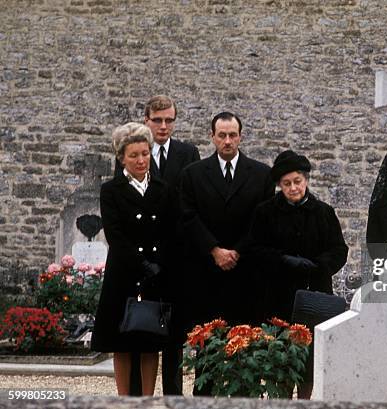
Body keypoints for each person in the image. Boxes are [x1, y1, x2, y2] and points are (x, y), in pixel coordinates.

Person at [179, 111, 275, 395]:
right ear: (212, 137)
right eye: (222, 135)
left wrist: (236, 252)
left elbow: (262, 220)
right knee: (207, 344)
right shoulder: (193, 174)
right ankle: (203, 399)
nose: (228, 141)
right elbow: (188, 216)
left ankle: (245, 398)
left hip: (245, 274)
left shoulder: (261, 174)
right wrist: (214, 249)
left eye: (233, 135)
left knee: (245, 343)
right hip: (206, 273)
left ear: (241, 137)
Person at [116, 95, 200, 396]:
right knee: (139, 328)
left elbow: (192, 202)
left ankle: (174, 396)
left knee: (174, 334)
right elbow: (123, 203)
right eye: (158, 120)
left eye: (169, 120)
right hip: (141, 259)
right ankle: (138, 397)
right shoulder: (131, 151)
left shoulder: (188, 153)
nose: (164, 126)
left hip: (175, 257)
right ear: (146, 120)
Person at [248, 150, 348, 399]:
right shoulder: (265, 212)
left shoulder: (323, 212)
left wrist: (318, 265)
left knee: (308, 361)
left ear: (306, 180)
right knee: (279, 360)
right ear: (279, 185)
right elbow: (255, 249)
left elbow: (339, 250)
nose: (293, 188)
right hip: (278, 297)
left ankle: (303, 402)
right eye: (286, 184)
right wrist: (284, 260)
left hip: (315, 297)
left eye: (297, 182)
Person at [91, 122, 172, 395]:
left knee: (150, 342)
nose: (141, 160)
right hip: (123, 274)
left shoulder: (163, 188)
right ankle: (124, 399)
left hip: (155, 275)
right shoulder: (111, 191)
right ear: (122, 158)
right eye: (134, 155)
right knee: (122, 342)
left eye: (145, 154)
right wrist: (141, 263)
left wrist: (158, 261)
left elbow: (170, 230)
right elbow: (116, 235)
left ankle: (147, 398)